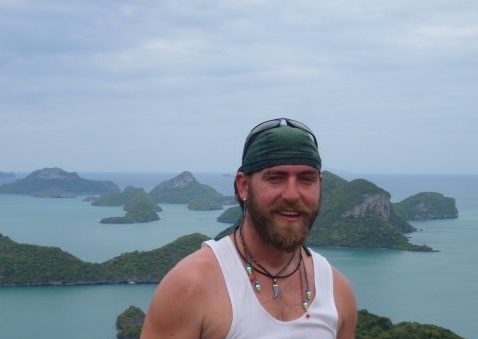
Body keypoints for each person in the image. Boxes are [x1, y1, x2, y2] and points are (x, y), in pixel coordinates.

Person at [140, 118, 357, 339]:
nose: (292, 194)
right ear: (244, 186)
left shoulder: (337, 292)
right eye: (275, 178)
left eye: (306, 179)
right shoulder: (190, 287)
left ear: (320, 185)